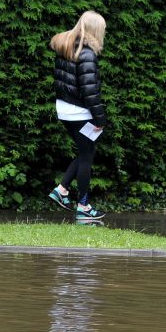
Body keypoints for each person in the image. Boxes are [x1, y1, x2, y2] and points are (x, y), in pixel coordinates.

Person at [47, 11, 108, 222]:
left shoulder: (66, 47)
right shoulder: (87, 54)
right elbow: (90, 91)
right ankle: (83, 206)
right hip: (81, 112)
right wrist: (100, 120)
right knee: (87, 157)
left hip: (64, 109)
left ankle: (62, 190)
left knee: (85, 153)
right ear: (95, 30)